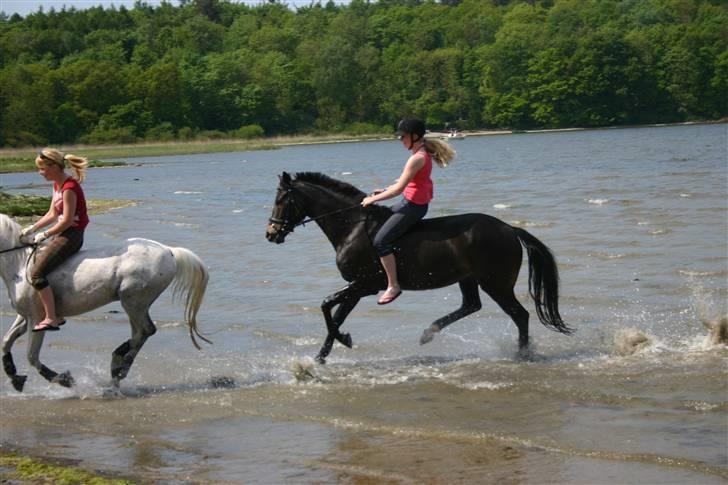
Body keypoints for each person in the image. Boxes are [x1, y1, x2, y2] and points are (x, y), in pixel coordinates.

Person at [361, 118, 455, 305]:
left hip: (413, 207)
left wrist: (372, 199)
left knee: (380, 241)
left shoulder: (417, 158)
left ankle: (393, 285)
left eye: (403, 136)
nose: (400, 140)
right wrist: (385, 189)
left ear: (414, 136)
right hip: (409, 201)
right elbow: (406, 180)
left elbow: (398, 190)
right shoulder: (419, 153)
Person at [20, 148, 89, 332]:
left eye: (43, 168)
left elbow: (66, 221)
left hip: (71, 235)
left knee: (36, 274)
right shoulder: (57, 185)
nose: (40, 172)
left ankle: (52, 318)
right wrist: (33, 228)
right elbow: (52, 213)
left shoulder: (69, 188)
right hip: (62, 232)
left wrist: (45, 234)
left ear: (54, 167)